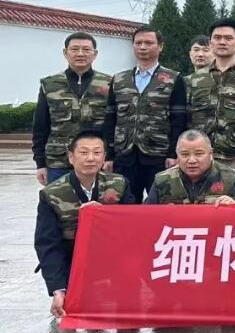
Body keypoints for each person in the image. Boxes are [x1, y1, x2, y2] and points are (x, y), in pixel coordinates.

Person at [34, 130, 135, 318]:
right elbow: (48, 244)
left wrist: (106, 216)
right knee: (72, 310)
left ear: (104, 157)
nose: (90, 158)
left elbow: (133, 227)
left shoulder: (119, 184)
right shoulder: (52, 194)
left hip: (110, 255)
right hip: (72, 258)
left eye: (97, 152)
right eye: (83, 152)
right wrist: (58, 289)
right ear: (71, 157)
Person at [103, 26, 188, 202]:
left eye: (148, 43)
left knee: (160, 204)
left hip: (158, 155)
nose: (142, 47)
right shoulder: (119, 79)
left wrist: (174, 154)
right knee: (125, 205)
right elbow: (110, 118)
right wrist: (109, 155)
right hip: (124, 155)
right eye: (138, 43)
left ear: (160, 46)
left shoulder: (173, 79)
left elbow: (179, 119)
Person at [33, 32, 112, 185]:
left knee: (96, 200)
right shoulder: (50, 85)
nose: (80, 54)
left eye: (86, 49)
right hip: (58, 162)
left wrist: (110, 157)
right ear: (65, 53)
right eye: (75, 49)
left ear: (95, 54)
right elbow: (40, 127)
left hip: (97, 162)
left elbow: (113, 125)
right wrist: (40, 164)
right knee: (58, 200)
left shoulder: (109, 84)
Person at [186, 18, 235, 176]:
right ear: (211, 43)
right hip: (199, 155)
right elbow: (185, 118)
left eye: (228, 38)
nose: (222, 42)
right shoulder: (194, 80)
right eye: (217, 38)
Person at [146, 129, 235, 204]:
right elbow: (146, 213)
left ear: (211, 154)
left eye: (199, 154)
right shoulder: (162, 180)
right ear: (177, 155)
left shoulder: (231, 177)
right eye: (185, 154)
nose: (191, 160)